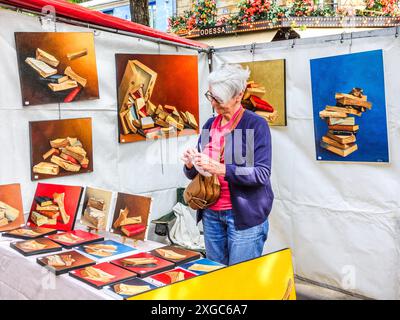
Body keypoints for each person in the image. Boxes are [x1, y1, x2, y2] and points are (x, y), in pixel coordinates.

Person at [182, 64, 274, 266]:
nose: (213, 104)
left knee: (240, 282)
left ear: (238, 96)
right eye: (211, 97)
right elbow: (195, 174)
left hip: (243, 217)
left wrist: (220, 168)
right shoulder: (209, 125)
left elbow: (260, 174)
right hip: (211, 213)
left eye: (219, 100)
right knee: (216, 276)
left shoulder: (253, 125)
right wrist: (191, 164)